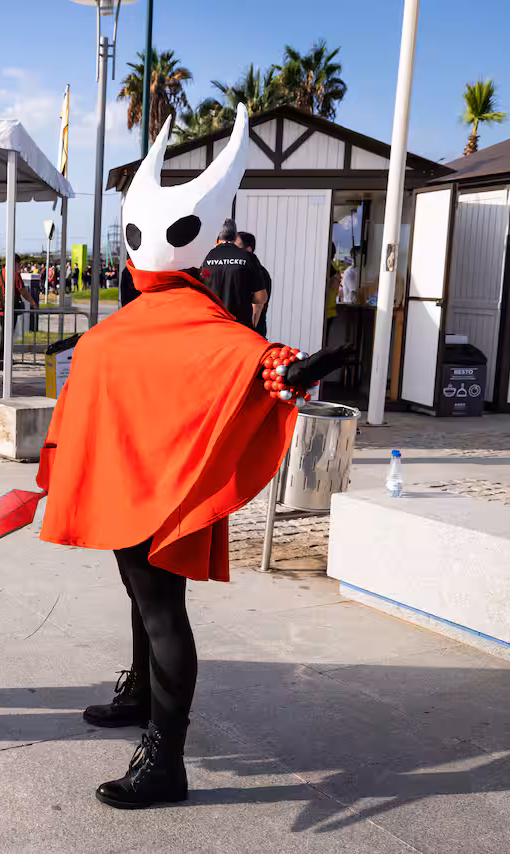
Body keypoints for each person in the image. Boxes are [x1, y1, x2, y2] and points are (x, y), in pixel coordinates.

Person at [38, 108, 346, 808]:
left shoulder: (203, 322)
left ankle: (165, 759)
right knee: (141, 600)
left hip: (163, 489)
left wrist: (286, 372)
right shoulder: (130, 323)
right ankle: (141, 693)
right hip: (124, 484)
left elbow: (251, 360)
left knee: (161, 612)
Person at [200, 219, 267, 329]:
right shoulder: (248, 257)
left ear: (217, 240)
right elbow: (260, 297)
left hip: (213, 324)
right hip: (239, 327)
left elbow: (202, 288)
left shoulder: (209, 257)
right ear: (235, 238)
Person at [236, 231, 272, 338]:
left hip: (251, 334)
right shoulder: (242, 270)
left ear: (248, 250)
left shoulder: (258, 272)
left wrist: (248, 333)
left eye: (236, 247)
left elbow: (258, 305)